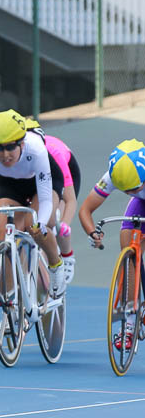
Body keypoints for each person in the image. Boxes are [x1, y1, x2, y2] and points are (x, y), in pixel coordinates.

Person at [0, 109, 67, 298]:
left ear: (22, 142)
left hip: (40, 184)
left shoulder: (36, 150)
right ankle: (8, 301)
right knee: (2, 236)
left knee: (33, 226)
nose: (4, 155)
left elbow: (44, 199)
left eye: (10, 147)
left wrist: (40, 224)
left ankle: (56, 264)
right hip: (10, 184)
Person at [0, 118, 81, 283]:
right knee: (17, 226)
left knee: (50, 224)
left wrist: (64, 223)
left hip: (55, 179)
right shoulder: (10, 156)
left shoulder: (51, 154)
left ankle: (66, 255)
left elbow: (69, 199)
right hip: (23, 184)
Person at [79, 138, 145, 350]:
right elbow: (85, 210)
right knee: (128, 248)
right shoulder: (113, 176)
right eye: (125, 190)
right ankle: (128, 323)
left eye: (134, 188)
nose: (129, 193)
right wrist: (92, 233)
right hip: (140, 207)